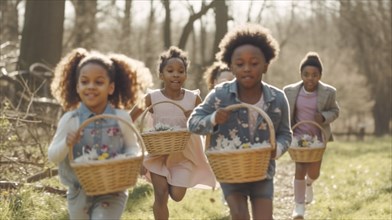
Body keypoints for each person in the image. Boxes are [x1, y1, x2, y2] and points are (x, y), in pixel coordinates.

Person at [187, 24, 292, 220]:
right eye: (240, 64)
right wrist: (213, 119)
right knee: (239, 214)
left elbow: (286, 133)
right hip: (230, 171)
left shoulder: (277, 99)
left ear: (266, 65)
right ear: (231, 66)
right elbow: (193, 123)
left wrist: (276, 149)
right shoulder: (220, 95)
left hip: (263, 171)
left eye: (254, 63)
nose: (247, 69)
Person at [48, 48, 146, 220]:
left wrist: (132, 160)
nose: (91, 86)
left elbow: (132, 147)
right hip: (79, 192)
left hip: (113, 189)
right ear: (77, 86)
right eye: (85, 82)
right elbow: (53, 156)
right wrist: (66, 143)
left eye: (99, 82)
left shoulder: (121, 118)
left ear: (111, 87)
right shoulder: (70, 119)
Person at [130, 46, 216, 220]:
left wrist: (194, 117)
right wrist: (136, 155)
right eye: (170, 71)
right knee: (160, 196)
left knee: (177, 195)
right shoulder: (152, 98)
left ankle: (171, 181)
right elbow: (129, 120)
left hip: (184, 156)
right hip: (157, 154)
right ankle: (161, 184)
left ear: (185, 75)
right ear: (161, 75)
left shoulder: (193, 98)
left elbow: (207, 124)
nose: (175, 75)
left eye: (180, 71)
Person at [283, 51, 340, 219]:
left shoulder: (329, 92)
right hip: (298, 138)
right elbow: (284, 112)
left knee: (314, 172)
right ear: (301, 74)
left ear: (320, 76)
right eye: (306, 74)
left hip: (317, 139)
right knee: (299, 168)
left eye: (315, 75)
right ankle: (298, 206)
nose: (310, 78)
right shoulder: (290, 91)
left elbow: (335, 111)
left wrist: (323, 117)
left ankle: (309, 183)